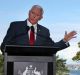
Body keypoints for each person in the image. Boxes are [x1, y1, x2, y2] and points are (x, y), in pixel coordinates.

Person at [1, 5, 77, 54]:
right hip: (16, 64)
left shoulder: (45, 31)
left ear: (41, 18)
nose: (34, 16)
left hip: (38, 65)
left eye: (37, 15)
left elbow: (52, 47)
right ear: (29, 12)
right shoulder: (15, 26)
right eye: (32, 13)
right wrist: (6, 53)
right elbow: (4, 45)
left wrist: (64, 40)